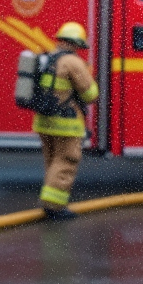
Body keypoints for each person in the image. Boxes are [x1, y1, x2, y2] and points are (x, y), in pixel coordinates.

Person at [34, 22, 99, 219]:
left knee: (53, 161)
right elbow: (91, 95)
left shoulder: (48, 57)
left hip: (44, 122)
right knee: (66, 161)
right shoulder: (72, 62)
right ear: (76, 43)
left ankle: (50, 202)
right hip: (66, 124)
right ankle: (54, 207)